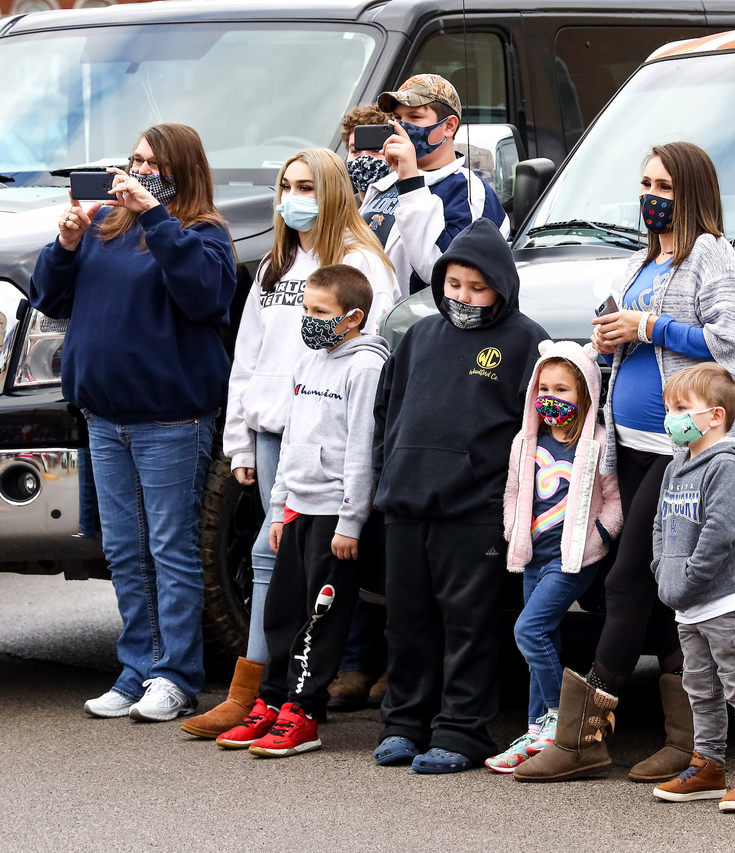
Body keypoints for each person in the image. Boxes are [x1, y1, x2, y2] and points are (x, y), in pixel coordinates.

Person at [515, 141, 735, 784]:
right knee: (649, 596)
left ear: (693, 193)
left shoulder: (712, 255)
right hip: (626, 447)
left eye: (665, 186)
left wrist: (648, 328)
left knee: (627, 583)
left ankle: (581, 737)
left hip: (683, 451)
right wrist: (608, 338)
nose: (651, 195)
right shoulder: (641, 261)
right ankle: (689, 741)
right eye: (646, 182)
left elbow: (733, 345)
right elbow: (633, 341)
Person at [181, 148, 396, 740]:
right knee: (268, 557)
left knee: (305, 570)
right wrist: (240, 442)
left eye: (306, 186)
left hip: (325, 442)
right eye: (285, 185)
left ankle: (285, 692)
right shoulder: (277, 265)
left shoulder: (360, 263)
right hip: (272, 430)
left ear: (332, 193)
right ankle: (255, 692)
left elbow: (362, 365)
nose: (292, 197)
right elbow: (246, 357)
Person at [31, 123, 237, 721]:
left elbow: (204, 297)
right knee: (124, 549)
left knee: (170, 547)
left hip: (170, 420)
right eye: (135, 160)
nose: (140, 170)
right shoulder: (103, 227)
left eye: (154, 164)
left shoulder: (202, 234)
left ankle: (175, 675)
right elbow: (51, 296)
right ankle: (138, 668)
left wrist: (155, 219)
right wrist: (66, 243)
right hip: (104, 415)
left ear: (181, 172)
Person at [371, 217, 547, 773]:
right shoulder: (420, 334)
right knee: (407, 621)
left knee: (468, 624)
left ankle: (462, 731)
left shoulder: (527, 340)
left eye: (478, 288)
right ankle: (403, 724)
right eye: (454, 286)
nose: (464, 298)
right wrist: (387, 473)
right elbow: (386, 410)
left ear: (501, 286)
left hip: (474, 511)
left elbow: (538, 429)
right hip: (406, 503)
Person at [212, 265, 389, 755]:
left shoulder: (365, 367)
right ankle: (271, 701)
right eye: (305, 309)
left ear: (353, 318)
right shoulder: (309, 362)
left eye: (320, 312)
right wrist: (279, 506)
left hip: (335, 517)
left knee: (321, 616)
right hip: (296, 511)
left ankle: (304, 711)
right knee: (282, 610)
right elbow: (291, 441)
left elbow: (361, 450)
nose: (308, 320)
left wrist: (351, 521)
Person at [485, 341, 623, 773]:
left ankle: (558, 721)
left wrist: (597, 540)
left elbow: (615, 502)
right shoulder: (527, 443)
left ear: (585, 393)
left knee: (528, 630)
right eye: (543, 387)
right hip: (532, 557)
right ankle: (535, 731)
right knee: (542, 640)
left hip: (571, 560)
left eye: (562, 390)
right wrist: (512, 531)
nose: (550, 397)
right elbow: (512, 492)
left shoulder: (598, 443)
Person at [649, 363, 735, 812]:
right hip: (688, 602)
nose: (673, 418)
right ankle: (708, 764)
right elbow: (661, 523)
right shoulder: (675, 466)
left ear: (716, 416)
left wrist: (690, 579)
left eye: (682, 408)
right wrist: (662, 569)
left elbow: (722, 532)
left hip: (727, 602)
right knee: (699, 688)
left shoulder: (728, 466)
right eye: (670, 408)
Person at [361, 74, 509, 296]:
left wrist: (411, 182)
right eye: (397, 118)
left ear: (449, 126)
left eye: (414, 117)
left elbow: (443, 273)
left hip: (412, 325)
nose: (402, 127)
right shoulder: (385, 184)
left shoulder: (469, 189)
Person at [341, 104, 394, 204]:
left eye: (375, 150)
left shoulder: (409, 205)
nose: (364, 158)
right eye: (356, 151)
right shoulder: (339, 211)